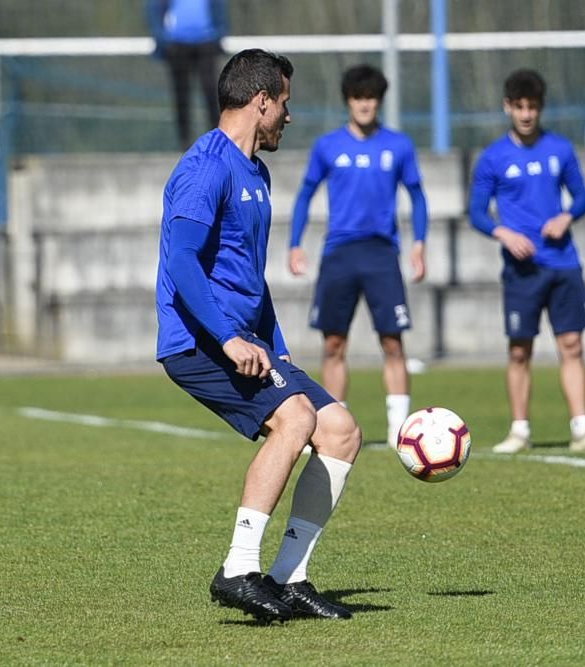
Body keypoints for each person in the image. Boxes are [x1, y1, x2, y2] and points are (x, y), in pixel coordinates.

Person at [156, 49, 361, 624]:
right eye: (284, 104)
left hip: (246, 339)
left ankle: (288, 578)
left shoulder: (257, 172)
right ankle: (238, 569)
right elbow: (182, 263)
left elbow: (248, 273)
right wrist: (227, 338)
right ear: (261, 101)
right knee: (296, 418)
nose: (288, 118)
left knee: (341, 430)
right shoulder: (206, 167)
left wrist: (276, 340)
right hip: (197, 341)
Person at [469, 69, 585, 454]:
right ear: (507, 107)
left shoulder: (561, 150)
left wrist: (567, 216)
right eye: (518, 107)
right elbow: (477, 213)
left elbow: (583, 198)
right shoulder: (493, 157)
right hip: (522, 271)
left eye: (532, 107)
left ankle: (582, 428)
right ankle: (519, 430)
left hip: (563, 263)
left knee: (572, 344)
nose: (525, 114)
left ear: (541, 108)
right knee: (520, 350)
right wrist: (504, 233)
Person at [289, 64, 428, 449]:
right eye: (358, 97)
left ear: (379, 101)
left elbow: (417, 195)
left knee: (393, 342)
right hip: (340, 254)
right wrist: (295, 243)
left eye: (371, 98)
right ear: (348, 100)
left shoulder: (398, 145)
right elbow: (305, 194)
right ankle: (336, 426)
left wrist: (420, 243)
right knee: (334, 344)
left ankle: (401, 433)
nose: (364, 104)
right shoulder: (328, 146)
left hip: (382, 253)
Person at [147, 0, 227, 150]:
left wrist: (218, 34)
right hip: (177, 43)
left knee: (212, 93)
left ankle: (219, 142)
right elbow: (155, 8)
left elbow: (219, 7)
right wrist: (162, 39)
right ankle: (185, 144)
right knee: (181, 96)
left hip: (207, 41)